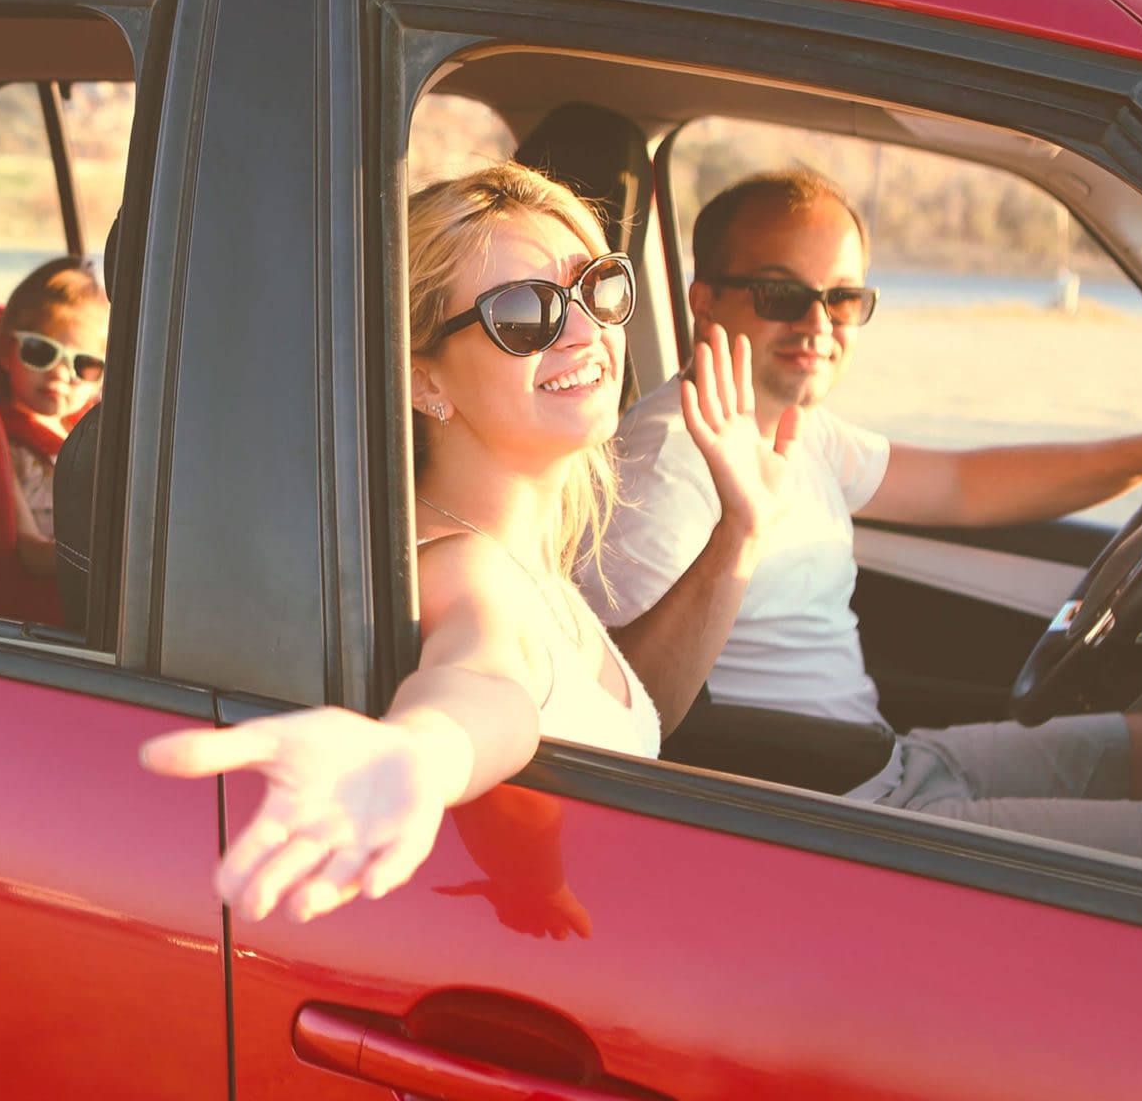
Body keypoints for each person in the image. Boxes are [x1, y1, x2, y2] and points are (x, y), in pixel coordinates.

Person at [586, 169, 1142, 880]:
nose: (818, 324)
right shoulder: (669, 462)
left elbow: (961, 486)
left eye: (844, 298)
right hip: (835, 807)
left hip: (887, 758)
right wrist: (742, 529)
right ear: (703, 302)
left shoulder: (797, 429)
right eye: (781, 294)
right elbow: (625, 714)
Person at [142, 162, 786, 924]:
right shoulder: (468, 566)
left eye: (598, 288)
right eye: (524, 314)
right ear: (424, 382)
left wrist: (741, 534)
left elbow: (616, 712)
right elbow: (484, 683)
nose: (587, 332)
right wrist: (421, 756)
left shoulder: (521, 558)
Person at [0, 257, 108, 577]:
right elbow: (29, 551)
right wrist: (108, 560)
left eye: (84, 364)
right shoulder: (2, 445)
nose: (59, 374)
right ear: (7, 351)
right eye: (41, 352)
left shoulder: (101, 431)